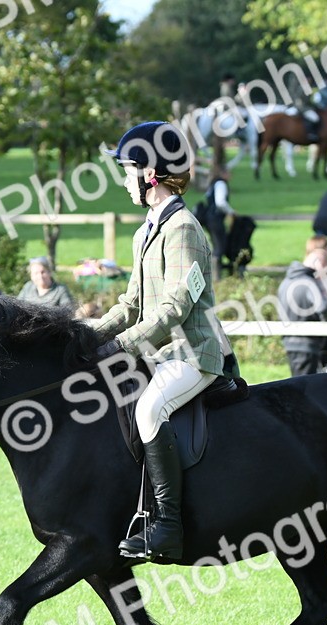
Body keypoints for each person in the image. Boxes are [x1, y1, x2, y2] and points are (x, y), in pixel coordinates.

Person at [96, 120, 231, 562]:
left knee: (149, 409)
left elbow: (177, 305)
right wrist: (87, 335)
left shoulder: (184, 228)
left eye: (127, 169)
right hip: (160, 353)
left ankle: (167, 527)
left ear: (149, 174)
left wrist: (124, 345)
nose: (123, 180)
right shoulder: (144, 232)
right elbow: (131, 303)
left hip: (193, 352)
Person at [278, 236, 327, 377]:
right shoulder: (308, 283)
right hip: (308, 343)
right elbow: (323, 309)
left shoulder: (286, 281)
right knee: (304, 388)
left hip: (288, 340)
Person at [203, 168, 235, 276]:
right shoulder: (221, 184)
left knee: (216, 245)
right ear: (224, 173)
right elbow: (220, 202)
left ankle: (215, 274)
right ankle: (216, 276)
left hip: (210, 218)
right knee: (220, 247)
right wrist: (231, 212)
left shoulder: (213, 184)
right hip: (216, 218)